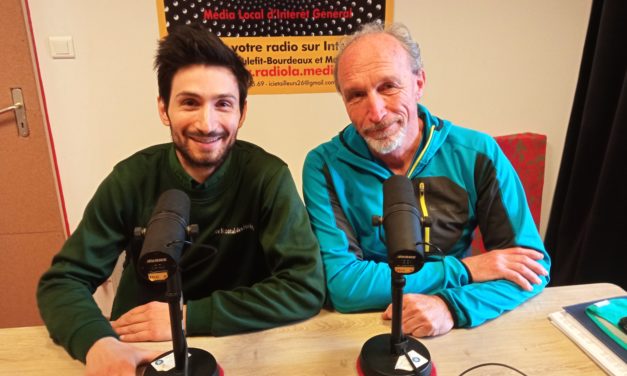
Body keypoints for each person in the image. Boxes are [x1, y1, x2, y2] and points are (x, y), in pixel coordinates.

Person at [37, 25, 325, 375]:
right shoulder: (130, 179)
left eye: (223, 104)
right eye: (190, 102)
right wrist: (97, 343)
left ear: (242, 113)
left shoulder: (267, 177)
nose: (207, 123)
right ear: (164, 109)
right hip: (141, 347)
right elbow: (62, 282)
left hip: (237, 344)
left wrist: (188, 315)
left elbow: (305, 287)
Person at [302, 22, 550, 338]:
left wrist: (451, 306)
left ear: (419, 83)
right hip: (361, 329)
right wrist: (467, 269)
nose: (376, 112)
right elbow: (346, 287)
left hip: (456, 324)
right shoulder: (322, 165)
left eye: (388, 86)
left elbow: (531, 269)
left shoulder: (478, 152)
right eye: (356, 95)